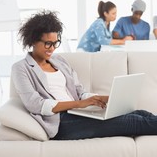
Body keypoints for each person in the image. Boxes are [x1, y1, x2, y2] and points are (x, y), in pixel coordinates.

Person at [11, 9, 157, 140]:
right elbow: (36, 105)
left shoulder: (59, 61)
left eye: (56, 43)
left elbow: (80, 92)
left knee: (141, 113)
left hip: (77, 113)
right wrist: (79, 104)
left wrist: (100, 99)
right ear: (33, 41)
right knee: (133, 122)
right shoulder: (21, 68)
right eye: (48, 43)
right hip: (61, 122)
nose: (52, 48)